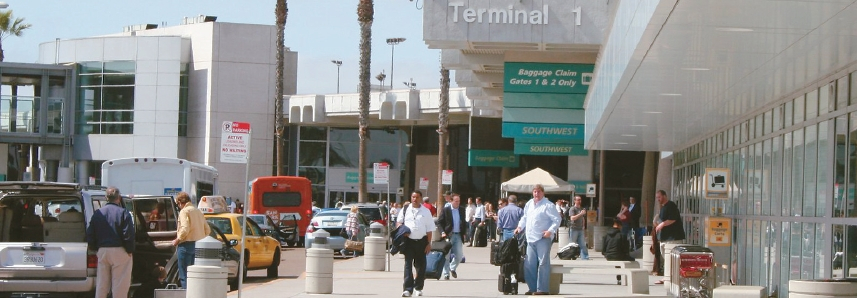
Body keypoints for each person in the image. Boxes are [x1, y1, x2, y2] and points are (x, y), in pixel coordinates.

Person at [86, 187, 135, 298]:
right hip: (120, 251)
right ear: (119, 198)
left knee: (102, 284)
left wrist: (95, 248)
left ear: (106, 198)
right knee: (120, 285)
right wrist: (129, 250)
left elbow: (90, 233)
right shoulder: (123, 213)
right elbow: (128, 234)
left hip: (103, 250)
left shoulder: (98, 214)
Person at [514, 184, 561, 295]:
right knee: (529, 264)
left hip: (543, 238)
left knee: (543, 263)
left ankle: (543, 289)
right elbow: (525, 217)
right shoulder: (529, 204)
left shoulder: (548, 205)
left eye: (539, 192)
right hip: (530, 238)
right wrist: (520, 226)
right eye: (535, 192)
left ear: (543, 193)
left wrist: (550, 231)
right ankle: (533, 288)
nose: (537, 194)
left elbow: (557, 219)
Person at [397, 190, 436, 297]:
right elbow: (399, 222)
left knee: (421, 266)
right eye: (413, 197)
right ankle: (408, 289)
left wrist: (428, 243)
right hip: (408, 242)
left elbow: (429, 229)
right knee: (408, 266)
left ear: (421, 198)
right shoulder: (405, 209)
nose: (414, 199)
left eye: (417, 197)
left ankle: (418, 287)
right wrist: (402, 229)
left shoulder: (426, 211)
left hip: (422, 242)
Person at [171, 191, 211, 289]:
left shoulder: (184, 211)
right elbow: (208, 230)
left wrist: (177, 239)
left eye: (178, 204)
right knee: (194, 274)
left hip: (185, 245)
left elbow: (185, 228)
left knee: (184, 274)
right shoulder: (198, 211)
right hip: (198, 246)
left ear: (180, 202)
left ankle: (186, 294)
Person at [653, 190, 685, 284]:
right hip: (664, 238)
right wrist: (657, 224)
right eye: (657, 198)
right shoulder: (663, 208)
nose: (658, 199)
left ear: (665, 196)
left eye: (659, 197)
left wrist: (662, 224)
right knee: (666, 258)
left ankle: (671, 277)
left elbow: (673, 219)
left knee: (672, 258)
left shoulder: (671, 205)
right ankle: (667, 277)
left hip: (672, 237)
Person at [437, 193, 465, 280]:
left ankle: (452, 268)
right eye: (456, 201)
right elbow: (439, 222)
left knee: (459, 255)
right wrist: (442, 232)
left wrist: (464, 232)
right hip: (449, 235)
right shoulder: (446, 210)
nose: (458, 203)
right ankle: (446, 274)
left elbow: (463, 221)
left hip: (458, 235)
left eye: (459, 201)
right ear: (451, 201)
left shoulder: (461, 209)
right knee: (447, 255)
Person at [568, 196, 590, 260]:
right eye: (578, 200)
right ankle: (571, 255)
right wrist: (580, 214)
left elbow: (583, 218)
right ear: (574, 201)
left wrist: (583, 226)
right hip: (574, 228)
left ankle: (585, 257)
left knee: (583, 244)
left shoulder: (581, 208)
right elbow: (572, 218)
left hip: (580, 229)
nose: (579, 201)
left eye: (580, 200)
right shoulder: (572, 209)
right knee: (572, 244)